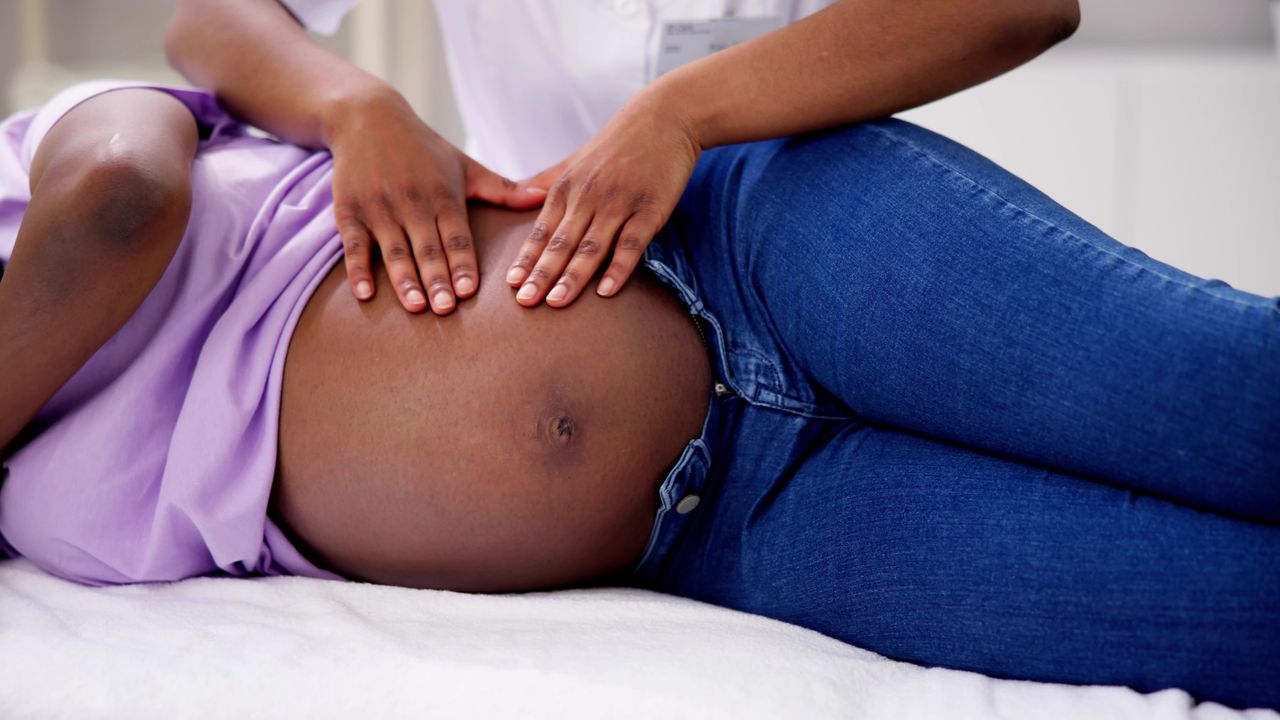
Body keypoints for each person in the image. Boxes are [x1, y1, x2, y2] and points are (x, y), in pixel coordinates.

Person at [0, 79, 1277, 711]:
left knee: (1228, 403)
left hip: (755, 258)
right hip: (744, 531)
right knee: (1225, 618)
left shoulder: (45, 159)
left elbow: (123, 207)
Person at [164, 0, 1082, 315]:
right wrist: (351, 106)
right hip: (552, 272)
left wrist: (682, 115)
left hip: (807, 252)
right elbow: (206, 18)